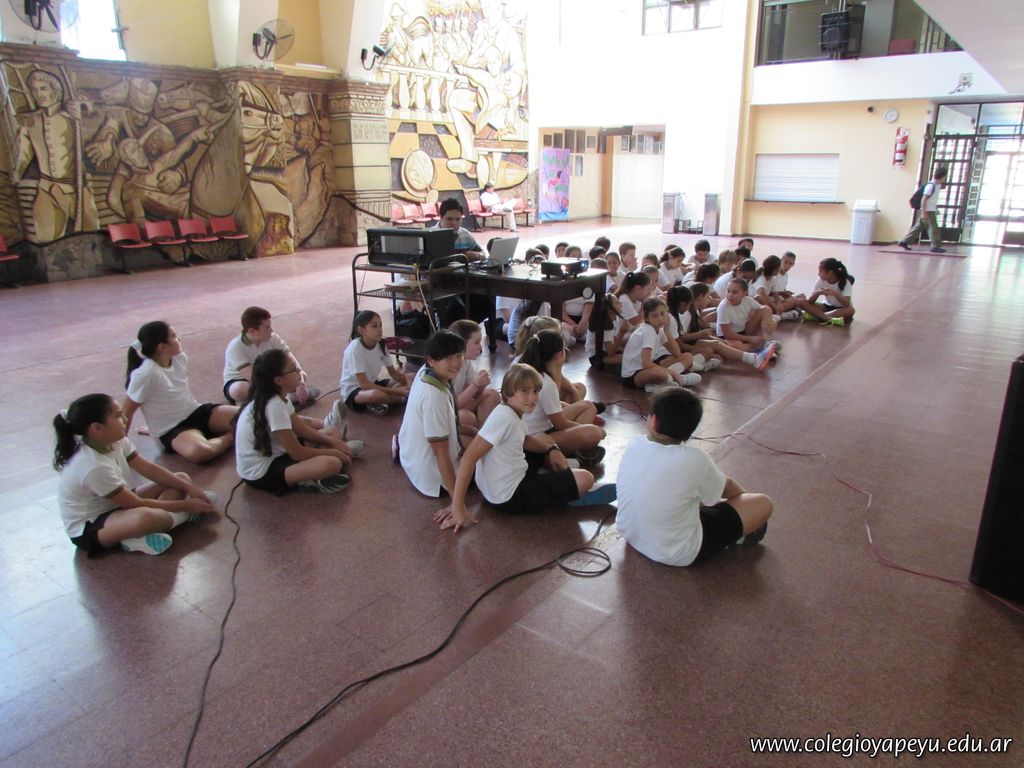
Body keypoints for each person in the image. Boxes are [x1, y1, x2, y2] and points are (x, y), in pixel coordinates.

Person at [434, 363, 615, 532]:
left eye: (536, 391)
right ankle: (570, 491)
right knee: (586, 478)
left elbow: (524, 439)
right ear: (508, 392)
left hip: (499, 486)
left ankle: (555, 475)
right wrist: (457, 506)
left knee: (543, 440)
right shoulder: (504, 418)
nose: (532, 398)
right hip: (510, 495)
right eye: (525, 391)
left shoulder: (511, 411)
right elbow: (469, 457)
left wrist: (551, 449)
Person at [616, 388, 773, 566]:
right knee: (763, 503)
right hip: (678, 553)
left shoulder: (635, 443)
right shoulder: (695, 458)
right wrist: (743, 502)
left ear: (654, 421)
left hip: (630, 534)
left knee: (692, 496)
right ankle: (738, 535)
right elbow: (727, 488)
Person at [54, 393, 216, 556]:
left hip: (117, 504)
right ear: (97, 428)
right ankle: (183, 517)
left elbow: (149, 469)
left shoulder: (115, 440)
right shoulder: (92, 466)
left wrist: (189, 489)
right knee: (147, 518)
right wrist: (187, 506)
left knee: (181, 479)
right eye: (118, 416)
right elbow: (135, 503)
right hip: (91, 527)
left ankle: (136, 536)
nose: (125, 419)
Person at [235, 350, 353, 495]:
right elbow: (297, 453)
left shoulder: (282, 396)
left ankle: (320, 467)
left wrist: (332, 442)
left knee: (332, 433)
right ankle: (308, 480)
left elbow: (302, 430)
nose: (298, 371)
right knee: (332, 463)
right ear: (278, 380)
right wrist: (333, 451)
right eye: (292, 369)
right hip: (262, 472)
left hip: (280, 452)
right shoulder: (274, 406)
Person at [124, 321, 237, 463]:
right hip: (172, 428)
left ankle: (228, 433)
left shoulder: (180, 358)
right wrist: (120, 449)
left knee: (253, 415)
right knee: (202, 452)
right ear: (162, 347)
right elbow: (126, 412)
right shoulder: (145, 374)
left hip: (195, 411)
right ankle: (231, 436)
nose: (179, 339)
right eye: (174, 336)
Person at [519, 330, 605, 463]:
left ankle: (577, 450)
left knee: (588, 406)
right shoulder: (546, 382)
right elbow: (560, 424)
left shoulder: (530, 370)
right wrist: (590, 429)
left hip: (538, 429)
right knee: (594, 433)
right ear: (559, 355)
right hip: (535, 438)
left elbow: (550, 410)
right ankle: (569, 453)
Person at [398, 331, 465, 498]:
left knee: (475, 435)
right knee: (486, 457)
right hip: (434, 480)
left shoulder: (427, 371)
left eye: (458, 355)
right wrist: (456, 501)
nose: (456, 363)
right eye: (448, 358)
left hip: (412, 459)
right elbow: (440, 453)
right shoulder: (433, 398)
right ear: (431, 360)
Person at [223, 306, 319, 408]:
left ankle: (268, 401)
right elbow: (254, 378)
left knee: (302, 375)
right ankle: (288, 397)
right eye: (267, 327)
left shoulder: (273, 338)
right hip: (245, 381)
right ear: (252, 331)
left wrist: (300, 383)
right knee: (238, 390)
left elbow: (293, 363)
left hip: (272, 378)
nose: (271, 330)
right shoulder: (235, 347)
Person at [666, 286, 774, 372]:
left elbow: (687, 334)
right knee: (714, 346)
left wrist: (705, 338)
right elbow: (681, 343)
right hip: (674, 352)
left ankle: (757, 354)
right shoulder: (673, 318)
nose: (709, 300)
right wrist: (698, 342)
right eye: (707, 297)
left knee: (716, 345)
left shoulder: (682, 314)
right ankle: (755, 357)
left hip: (686, 346)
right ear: (683, 304)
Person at [621, 298, 701, 391]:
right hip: (633, 375)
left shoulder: (660, 330)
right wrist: (671, 372)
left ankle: (668, 380)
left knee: (687, 356)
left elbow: (677, 353)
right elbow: (646, 364)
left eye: (663, 314)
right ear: (647, 318)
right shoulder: (648, 331)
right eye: (655, 316)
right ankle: (678, 379)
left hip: (648, 368)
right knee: (659, 374)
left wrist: (667, 330)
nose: (660, 318)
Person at [340, 310, 410, 416]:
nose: (379, 330)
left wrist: (406, 381)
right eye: (374, 326)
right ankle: (400, 398)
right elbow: (364, 385)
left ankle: (384, 401)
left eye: (380, 325)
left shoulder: (381, 344)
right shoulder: (354, 350)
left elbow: (393, 373)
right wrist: (397, 391)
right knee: (376, 395)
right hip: (354, 390)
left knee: (412, 376)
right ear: (361, 330)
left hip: (373, 383)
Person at [448, 320, 501, 434]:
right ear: (461, 344)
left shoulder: (466, 362)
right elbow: (453, 405)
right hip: (447, 411)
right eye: (476, 342)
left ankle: (485, 434)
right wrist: (475, 385)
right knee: (465, 417)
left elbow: (472, 393)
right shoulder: (448, 367)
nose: (480, 347)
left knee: (492, 394)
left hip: (458, 406)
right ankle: (480, 437)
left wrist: (481, 385)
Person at [716, 278, 780, 356]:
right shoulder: (723, 307)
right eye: (728, 291)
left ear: (744, 293)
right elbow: (728, 334)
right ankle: (761, 349)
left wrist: (773, 321)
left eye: (735, 292)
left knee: (766, 309)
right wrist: (751, 338)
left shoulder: (748, 300)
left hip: (744, 331)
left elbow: (765, 312)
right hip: (728, 337)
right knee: (739, 346)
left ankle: (767, 343)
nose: (730, 295)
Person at [899, 166, 948, 253]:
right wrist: (923, 212)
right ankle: (935, 246)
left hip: (930, 210)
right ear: (942, 176)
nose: (945, 178)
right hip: (928, 211)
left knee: (918, 227)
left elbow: (932, 199)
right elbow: (924, 199)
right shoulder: (931, 186)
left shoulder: (937, 185)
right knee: (933, 228)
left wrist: (935, 208)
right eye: (945, 176)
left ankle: (905, 241)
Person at [796, 258, 856, 326]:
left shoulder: (845, 282)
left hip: (841, 309)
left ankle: (818, 316)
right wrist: (817, 293)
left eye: (820, 271)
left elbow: (847, 304)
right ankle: (827, 318)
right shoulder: (820, 281)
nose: (818, 273)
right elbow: (810, 302)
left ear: (830, 272)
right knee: (802, 302)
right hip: (826, 307)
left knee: (851, 310)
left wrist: (835, 294)